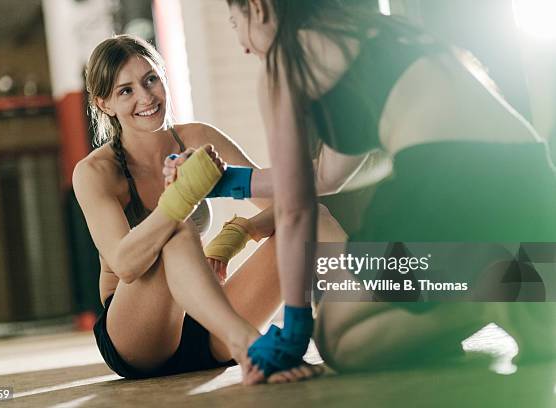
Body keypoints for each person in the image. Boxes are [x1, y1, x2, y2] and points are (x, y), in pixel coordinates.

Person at [198, 0, 556, 383]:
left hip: (450, 181)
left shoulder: (285, 61)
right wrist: (226, 182)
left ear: (259, 7)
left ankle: (492, 296)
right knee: (535, 339)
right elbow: (324, 177)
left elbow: (296, 206)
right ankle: (528, 298)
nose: (243, 44)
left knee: (339, 337)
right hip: (534, 184)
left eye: (235, 23)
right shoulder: (373, 33)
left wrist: (294, 330)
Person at [74, 34, 341, 382]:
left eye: (150, 79)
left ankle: (366, 319)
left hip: (206, 326)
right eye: (126, 90)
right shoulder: (95, 172)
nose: (145, 96)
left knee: (313, 219)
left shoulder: (198, 138)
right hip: (137, 336)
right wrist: (180, 200)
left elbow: (289, 203)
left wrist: (242, 232)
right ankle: (250, 348)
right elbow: (124, 264)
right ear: (104, 104)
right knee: (178, 229)